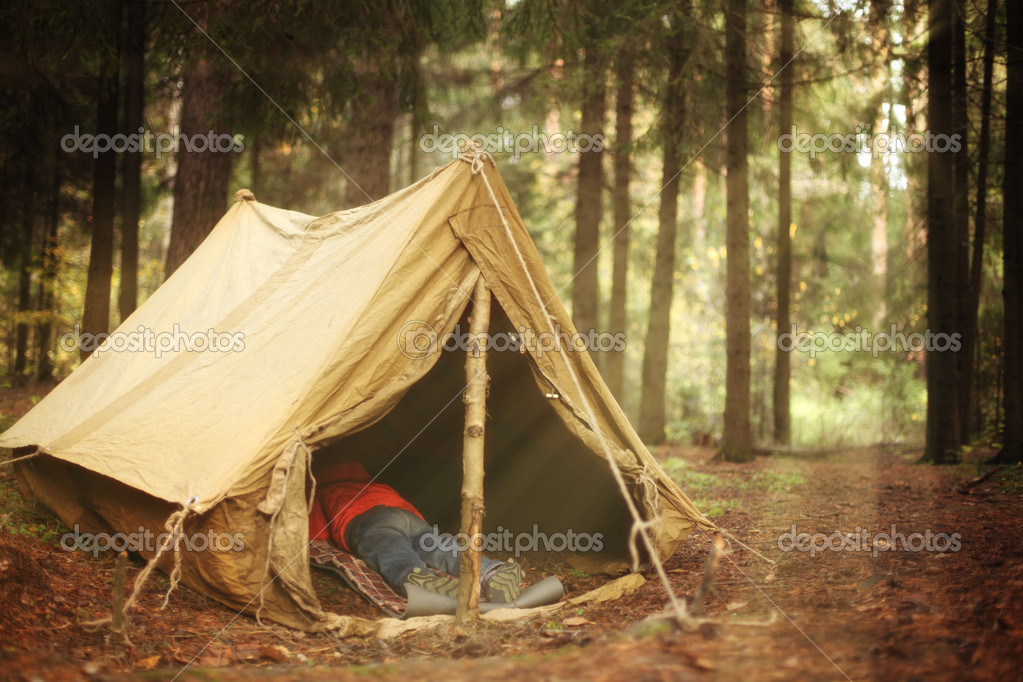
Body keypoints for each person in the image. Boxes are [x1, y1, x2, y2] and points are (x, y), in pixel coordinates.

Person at [309, 459, 525, 603]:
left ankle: (416, 576)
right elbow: (407, 508)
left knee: (391, 549)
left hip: (369, 521)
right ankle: (490, 571)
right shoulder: (376, 486)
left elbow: (317, 531)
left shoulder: (323, 491)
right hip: (408, 518)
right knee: (439, 546)